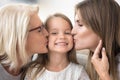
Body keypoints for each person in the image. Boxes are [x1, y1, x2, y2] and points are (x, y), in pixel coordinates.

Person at [23, 13, 90, 80]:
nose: (62, 37)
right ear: (45, 36)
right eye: (54, 33)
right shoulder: (33, 70)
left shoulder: (78, 72)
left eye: (67, 33)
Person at [71, 0, 120, 80]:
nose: (72, 32)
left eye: (80, 25)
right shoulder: (93, 61)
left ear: (101, 28)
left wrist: (104, 75)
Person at [0, 3, 48, 80]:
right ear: (19, 37)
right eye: (39, 30)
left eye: (44, 27)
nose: (47, 33)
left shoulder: (34, 65)